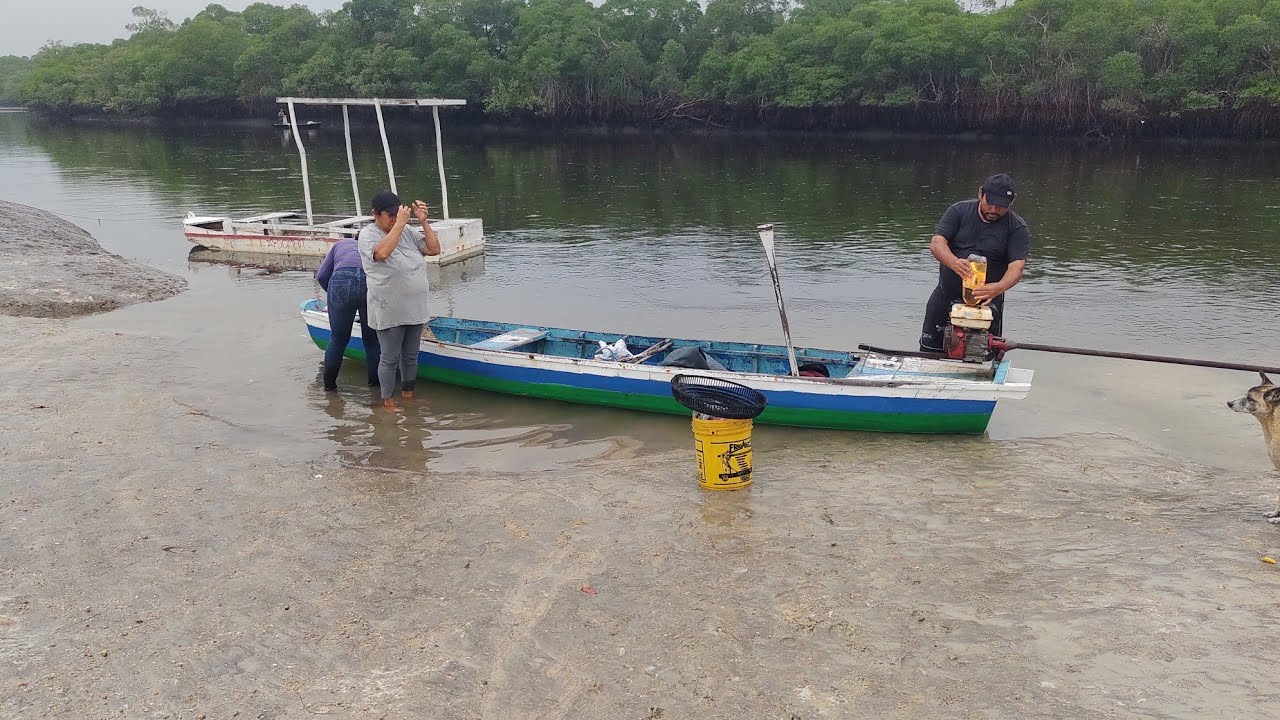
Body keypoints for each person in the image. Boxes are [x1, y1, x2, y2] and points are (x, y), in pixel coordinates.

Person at [919, 173, 1030, 353]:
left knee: (979, 357)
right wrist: (954, 263)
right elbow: (937, 243)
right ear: (980, 193)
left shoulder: (1017, 227)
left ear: (1012, 201)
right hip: (945, 297)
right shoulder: (958, 211)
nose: (993, 210)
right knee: (929, 353)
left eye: (1001, 206)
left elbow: (1017, 267)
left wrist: (999, 287)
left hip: (986, 304)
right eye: (990, 203)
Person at [358, 189, 441, 408]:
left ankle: (408, 397)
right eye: (390, 215)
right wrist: (399, 225)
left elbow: (433, 249)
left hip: (415, 307)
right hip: (388, 307)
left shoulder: (407, 231)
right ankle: (387, 403)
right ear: (375, 213)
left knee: (411, 356)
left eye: (398, 214)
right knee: (389, 358)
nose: (395, 219)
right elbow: (381, 253)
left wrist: (424, 222)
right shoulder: (368, 234)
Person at [316, 237, 380, 391]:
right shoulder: (375, 247)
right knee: (372, 341)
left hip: (341, 279)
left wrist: (333, 297)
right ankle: (375, 389)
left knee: (337, 340)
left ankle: (329, 390)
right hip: (369, 281)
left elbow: (322, 276)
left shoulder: (341, 244)